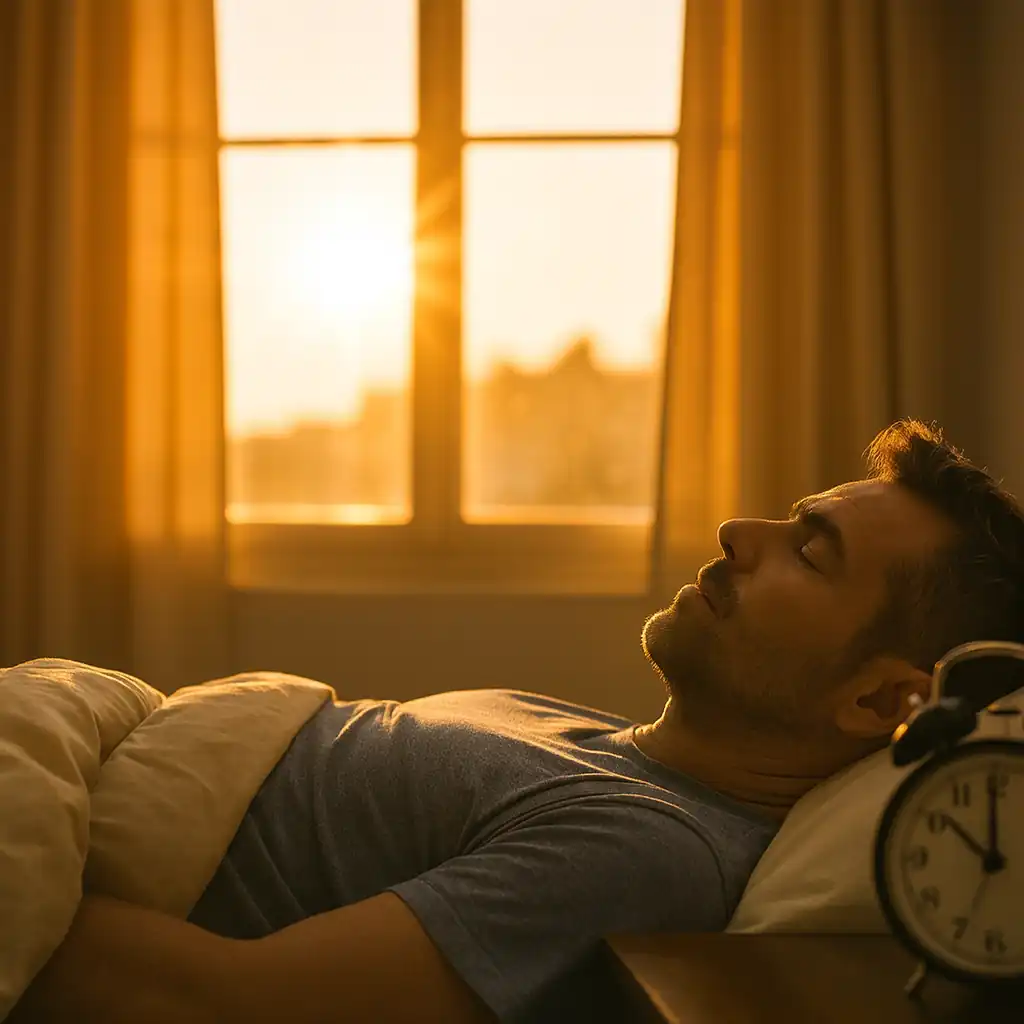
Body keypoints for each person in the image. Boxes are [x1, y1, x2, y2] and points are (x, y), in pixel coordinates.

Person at [16, 419, 1024, 1024]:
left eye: (810, 553)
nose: (738, 531)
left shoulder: (648, 852)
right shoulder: (598, 747)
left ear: (882, 701)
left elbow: (217, 1007)